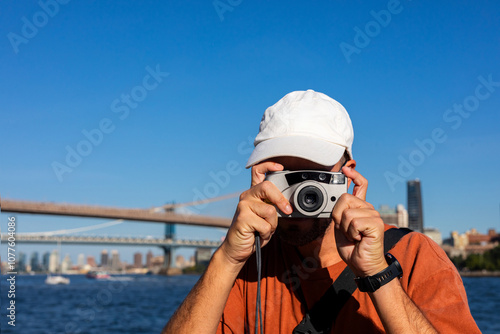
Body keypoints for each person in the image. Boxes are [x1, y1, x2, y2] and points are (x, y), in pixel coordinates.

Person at [163, 90, 480, 333]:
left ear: (348, 176)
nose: (301, 195)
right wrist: (227, 258)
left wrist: (377, 274)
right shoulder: (249, 267)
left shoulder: (413, 257)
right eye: (284, 176)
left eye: (314, 177)